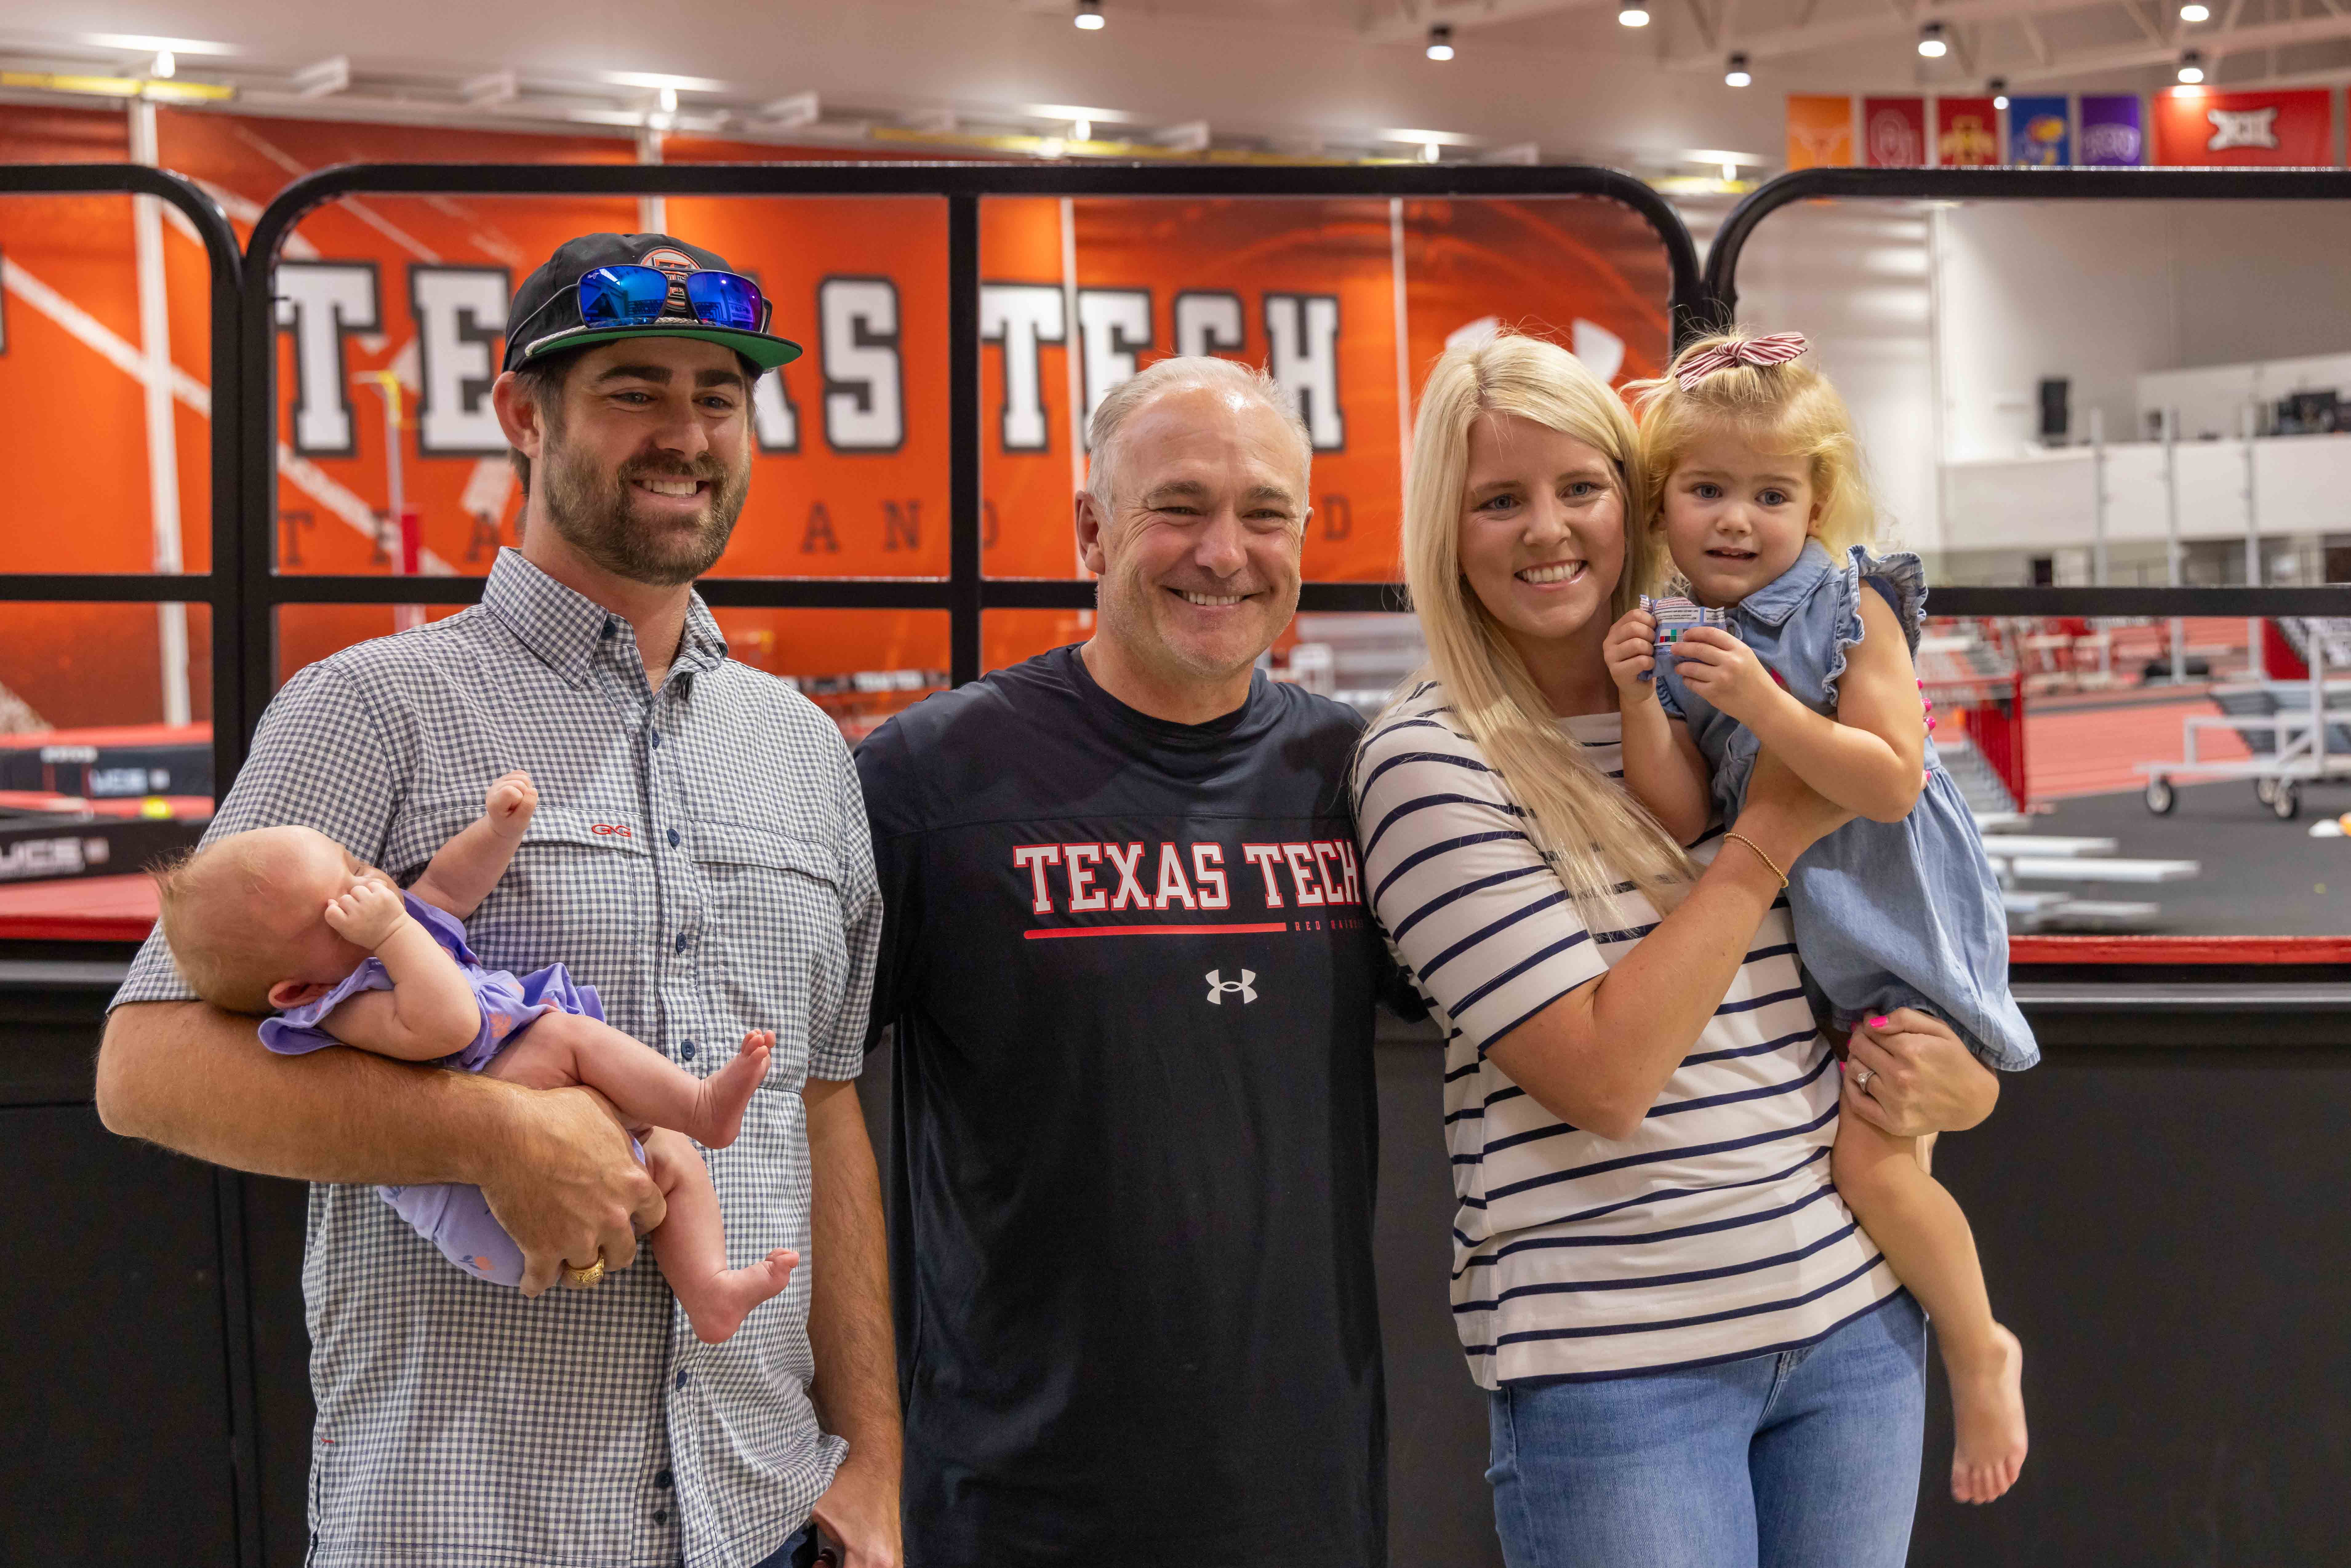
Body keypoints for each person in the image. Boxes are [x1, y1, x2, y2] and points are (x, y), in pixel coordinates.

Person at [96, 233, 900, 1568]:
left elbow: (820, 1109)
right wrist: (488, 1133)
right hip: (470, 1520)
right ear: (524, 414)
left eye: (718, 394)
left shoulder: (803, 751)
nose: (685, 432)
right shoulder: (372, 709)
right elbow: (146, 1065)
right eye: (633, 389)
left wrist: (870, 1458)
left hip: (767, 1516)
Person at [1353, 332, 2002, 1567]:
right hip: (1619, 1369)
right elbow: (1605, 1075)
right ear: (1446, 526)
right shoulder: (1428, 763)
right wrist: (1764, 836)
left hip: (1849, 1321)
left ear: (1628, 500)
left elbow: (1862, 956)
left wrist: (1951, 1083)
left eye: (1577, 488)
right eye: (1498, 499)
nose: (1546, 530)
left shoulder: (1737, 686)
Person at [855, 355, 1399, 1567]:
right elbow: (798, 1092)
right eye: (1178, 507)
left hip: (1307, 1500)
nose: (1224, 551)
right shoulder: (932, 779)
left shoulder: (1363, 777)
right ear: (1092, 531)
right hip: (1016, 1507)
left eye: (1265, 514)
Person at [1609, 328, 2034, 1504]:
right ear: (1662, 506)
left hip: (1903, 926)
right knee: (1871, 1152)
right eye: (1706, 490)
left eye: (1770, 493)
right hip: (1834, 951)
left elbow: (1891, 777)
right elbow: (1684, 808)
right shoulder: (1692, 634)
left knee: (1873, 1163)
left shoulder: (1852, 607)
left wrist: (1765, 702)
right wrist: (1645, 698)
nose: (1736, 520)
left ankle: (1978, 1344)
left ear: (1818, 500)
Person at [150, 776, 796, 1345]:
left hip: (530, 1148)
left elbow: (449, 886)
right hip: (478, 1200)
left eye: (354, 866)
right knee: (561, 1036)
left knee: (669, 1153)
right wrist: (392, 932)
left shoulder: (379, 940)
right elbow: (450, 1022)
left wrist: (496, 829)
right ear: (296, 990)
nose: (372, 886)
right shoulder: (341, 1007)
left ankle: (710, 1291)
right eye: (342, 904)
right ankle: (704, 1105)